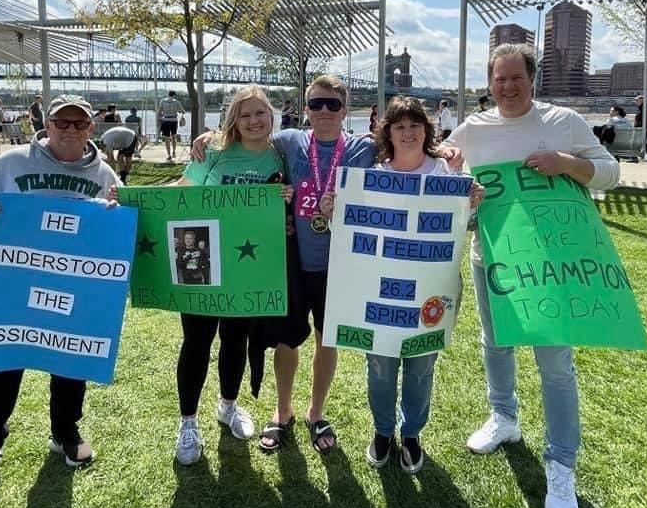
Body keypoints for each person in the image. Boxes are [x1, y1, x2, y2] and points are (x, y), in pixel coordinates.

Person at [193, 75, 459, 455]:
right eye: (316, 103)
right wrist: (207, 138)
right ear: (306, 109)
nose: (324, 111)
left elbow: (408, 145)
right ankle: (282, 411)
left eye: (332, 104)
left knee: (326, 338)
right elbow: (248, 136)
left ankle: (316, 412)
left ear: (344, 110)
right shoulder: (288, 142)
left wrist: (446, 150)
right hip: (293, 259)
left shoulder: (364, 148)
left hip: (343, 264)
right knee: (287, 339)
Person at [446, 44, 619, 508]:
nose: (507, 87)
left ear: (532, 79)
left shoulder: (563, 122)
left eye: (515, 78)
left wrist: (567, 163)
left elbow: (610, 173)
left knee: (555, 363)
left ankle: (561, 466)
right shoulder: (474, 128)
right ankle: (504, 417)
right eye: (498, 79)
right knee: (495, 342)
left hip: (553, 262)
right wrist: (451, 166)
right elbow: (444, 165)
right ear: (489, 83)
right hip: (492, 258)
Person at [0, 94, 121, 502]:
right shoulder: (12, 161)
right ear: (46, 124)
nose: (71, 130)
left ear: (91, 128)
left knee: (70, 362)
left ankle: (65, 431)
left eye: (80, 123)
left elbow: (123, 216)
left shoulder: (104, 172)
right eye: (63, 122)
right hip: (11, 287)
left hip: (74, 289)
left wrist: (118, 211)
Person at [318, 96, 483, 474]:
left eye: (415, 125)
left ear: (426, 130)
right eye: (399, 126)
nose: (408, 133)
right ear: (387, 132)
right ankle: (381, 431)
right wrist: (332, 214)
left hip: (429, 291)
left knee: (421, 366)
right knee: (380, 365)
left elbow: (465, 230)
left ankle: (411, 433)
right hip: (379, 293)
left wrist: (472, 205)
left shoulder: (447, 173)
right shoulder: (372, 175)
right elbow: (351, 234)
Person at [171, 84, 292, 466]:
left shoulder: (281, 156)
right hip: (202, 264)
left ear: (271, 116)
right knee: (197, 342)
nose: (254, 121)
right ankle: (187, 422)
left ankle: (228, 405)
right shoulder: (213, 152)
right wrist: (129, 199)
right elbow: (180, 190)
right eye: (245, 114)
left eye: (260, 113)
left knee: (236, 339)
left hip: (248, 267)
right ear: (233, 120)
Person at [157, 91, 185, 162]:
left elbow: (159, 111)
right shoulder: (177, 102)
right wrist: (179, 111)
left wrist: (158, 119)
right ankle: (174, 152)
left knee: (167, 138)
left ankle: (169, 155)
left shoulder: (163, 101)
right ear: (174, 95)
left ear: (168, 95)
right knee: (174, 136)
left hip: (165, 120)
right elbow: (182, 111)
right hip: (174, 120)